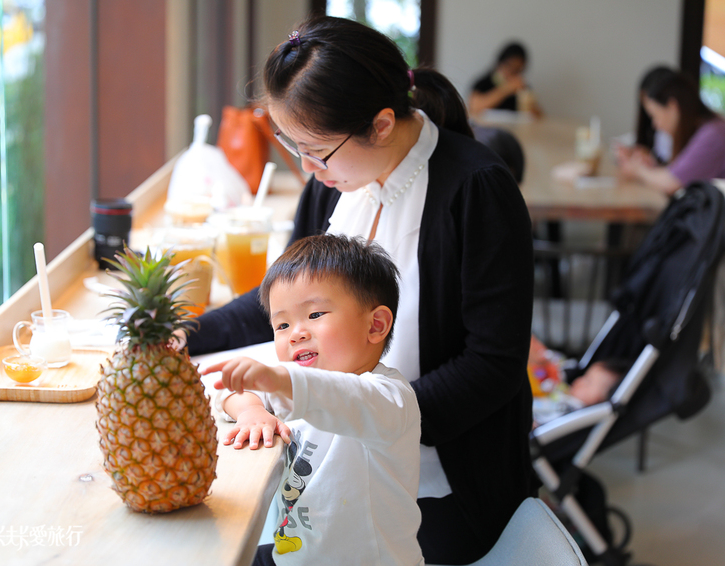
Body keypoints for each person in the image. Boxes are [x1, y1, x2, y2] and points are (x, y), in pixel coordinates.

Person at [185, 16, 535, 564]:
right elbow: (285, 302)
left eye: (317, 150)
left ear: (381, 123)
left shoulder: (475, 189)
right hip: (324, 458)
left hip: (440, 482)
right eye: (292, 144)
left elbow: (494, 364)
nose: (307, 167)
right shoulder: (330, 186)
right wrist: (186, 334)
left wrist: (368, 420)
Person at [204, 234, 423, 566]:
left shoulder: (389, 399)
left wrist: (277, 379)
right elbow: (229, 389)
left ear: (375, 325)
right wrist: (251, 410)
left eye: (316, 314)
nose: (296, 333)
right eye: (282, 324)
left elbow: (340, 396)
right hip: (295, 554)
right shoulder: (295, 386)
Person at [616, 70, 725, 195]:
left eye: (654, 116)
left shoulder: (715, 135)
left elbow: (671, 183)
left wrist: (637, 170)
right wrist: (651, 166)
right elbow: (675, 174)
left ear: (672, 106)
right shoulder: (710, 128)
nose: (655, 124)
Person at [469, 41, 542, 117]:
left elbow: (539, 116)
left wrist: (530, 104)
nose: (512, 72)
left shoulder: (522, 88)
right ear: (500, 62)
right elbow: (474, 107)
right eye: (510, 66)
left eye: (518, 70)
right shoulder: (483, 82)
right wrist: (507, 89)